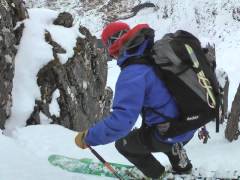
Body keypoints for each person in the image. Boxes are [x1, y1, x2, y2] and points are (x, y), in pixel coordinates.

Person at [74, 21, 195, 179]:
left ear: (113, 44)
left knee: (125, 145)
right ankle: (181, 164)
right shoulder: (153, 54)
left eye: (106, 45)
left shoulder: (132, 73)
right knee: (155, 127)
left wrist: (88, 137)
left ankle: (158, 175)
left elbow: (122, 123)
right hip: (188, 125)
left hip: (168, 134)